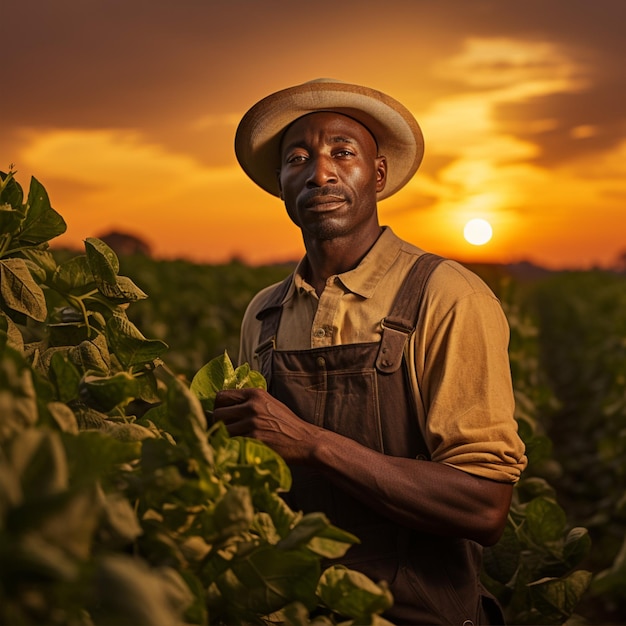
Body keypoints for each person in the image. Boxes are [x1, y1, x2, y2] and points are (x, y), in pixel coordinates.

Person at [213, 79, 527, 625]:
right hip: (293, 610)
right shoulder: (264, 315)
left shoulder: (446, 294)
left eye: (342, 153)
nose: (320, 172)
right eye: (298, 159)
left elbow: (484, 505)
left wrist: (309, 442)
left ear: (377, 176)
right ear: (282, 184)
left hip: (413, 613)